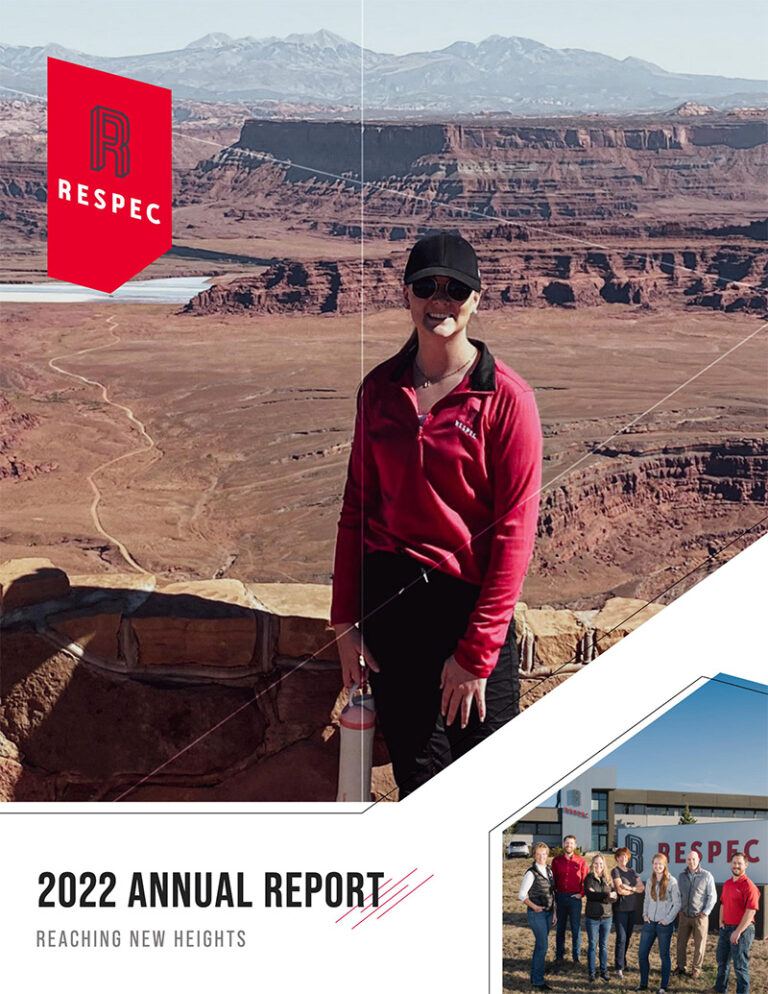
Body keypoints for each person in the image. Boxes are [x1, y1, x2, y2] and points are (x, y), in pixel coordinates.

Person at [330, 232, 543, 798]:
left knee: (488, 793)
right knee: (421, 785)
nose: (440, 301)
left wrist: (474, 655)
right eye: (427, 287)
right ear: (407, 295)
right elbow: (357, 509)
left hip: (467, 613)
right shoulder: (379, 391)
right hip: (393, 616)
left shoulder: (506, 399)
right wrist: (346, 621)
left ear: (477, 299)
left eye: (455, 290)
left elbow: (515, 536)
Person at [715, 852, 760, 994]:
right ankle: (720, 989)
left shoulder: (749, 886)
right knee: (722, 963)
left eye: (739, 863)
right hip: (726, 928)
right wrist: (721, 923)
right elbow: (722, 904)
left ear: (746, 865)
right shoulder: (728, 883)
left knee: (740, 967)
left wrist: (738, 931)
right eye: (734, 862)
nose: (736, 865)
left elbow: (751, 911)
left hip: (742, 931)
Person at [637, 852, 681, 994]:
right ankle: (643, 984)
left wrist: (667, 920)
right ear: (652, 865)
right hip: (649, 923)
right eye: (655, 863)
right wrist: (645, 915)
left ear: (665, 865)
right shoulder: (650, 880)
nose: (657, 866)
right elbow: (647, 900)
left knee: (664, 955)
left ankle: (663, 986)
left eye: (660, 864)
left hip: (664, 925)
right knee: (642, 954)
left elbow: (677, 903)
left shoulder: (672, 881)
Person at [519, 842, 558, 991]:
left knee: (540, 946)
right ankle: (538, 980)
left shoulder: (549, 870)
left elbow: (552, 893)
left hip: (549, 913)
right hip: (537, 914)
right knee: (543, 946)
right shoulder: (531, 872)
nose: (542, 857)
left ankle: (535, 976)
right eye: (539, 854)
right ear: (534, 854)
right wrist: (535, 907)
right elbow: (522, 895)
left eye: (544, 854)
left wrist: (554, 912)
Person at [676, 848, 717, 980]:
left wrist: (705, 912)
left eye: (693, 859)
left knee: (699, 945)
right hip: (684, 916)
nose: (691, 861)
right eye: (688, 859)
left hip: (700, 917)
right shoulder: (681, 876)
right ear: (686, 860)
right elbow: (678, 895)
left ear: (698, 860)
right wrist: (679, 909)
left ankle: (696, 969)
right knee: (681, 943)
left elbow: (712, 896)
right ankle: (681, 967)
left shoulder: (707, 875)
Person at [552, 835, 589, 967]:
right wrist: (555, 897)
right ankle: (559, 956)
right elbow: (553, 881)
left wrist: (581, 894)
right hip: (560, 897)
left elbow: (587, 881)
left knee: (575, 928)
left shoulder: (581, 862)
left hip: (575, 899)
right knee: (560, 928)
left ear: (575, 845)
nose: (569, 845)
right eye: (567, 843)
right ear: (563, 844)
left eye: (571, 843)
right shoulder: (556, 861)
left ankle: (576, 957)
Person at [611, 846, 644, 979]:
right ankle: (618, 967)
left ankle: (623, 962)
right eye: (620, 856)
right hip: (620, 910)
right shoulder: (615, 871)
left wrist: (629, 888)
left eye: (625, 856)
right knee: (621, 938)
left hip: (632, 909)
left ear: (628, 857)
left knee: (628, 938)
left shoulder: (632, 871)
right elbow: (619, 891)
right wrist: (633, 890)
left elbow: (642, 888)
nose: (623, 858)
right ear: (617, 858)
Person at [584, 854, 616, 983]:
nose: (598, 866)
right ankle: (591, 972)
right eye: (596, 864)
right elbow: (590, 895)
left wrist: (607, 896)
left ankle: (604, 971)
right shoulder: (589, 878)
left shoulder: (608, 879)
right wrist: (606, 895)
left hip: (607, 917)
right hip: (593, 917)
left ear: (604, 865)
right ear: (592, 865)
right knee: (592, 945)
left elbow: (614, 896)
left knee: (603, 945)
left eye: (601, 864)